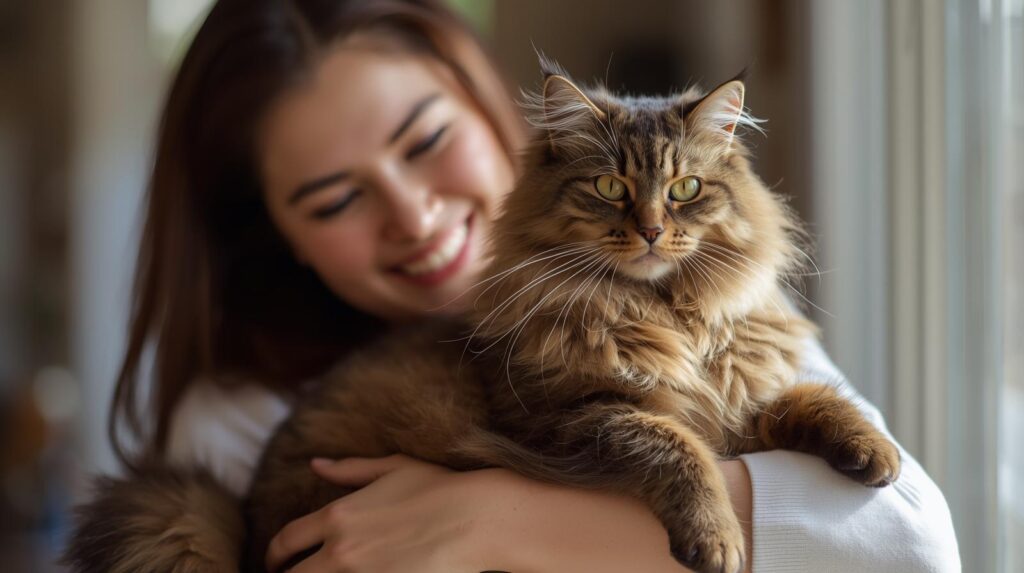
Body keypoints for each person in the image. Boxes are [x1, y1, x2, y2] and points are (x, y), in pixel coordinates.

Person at [108, 0, 961, 571]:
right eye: (335, 198)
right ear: (272, 233)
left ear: (494, 114)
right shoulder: (236, 414)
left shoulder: (736, 307)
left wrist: (489, 517)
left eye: (425, 141)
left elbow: (910, 543)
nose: (415, 215)